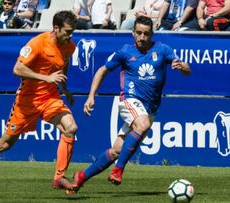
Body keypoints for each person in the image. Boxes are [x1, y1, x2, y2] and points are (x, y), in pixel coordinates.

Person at [68, 15, 191, 193]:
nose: (142, 37)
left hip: (150, 107)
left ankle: (81, 177)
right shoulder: (125, 52)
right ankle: (118, 170)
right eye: (139, 33)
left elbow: (186, 69)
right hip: (129, 100)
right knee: (143, 124)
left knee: (117, 149)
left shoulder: (163, 50)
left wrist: (184, 67)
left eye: (146, 34)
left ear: (152, 34)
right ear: (133, 33)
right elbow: (102, 71)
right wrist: (91, 96)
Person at [0, 10, 79, 194]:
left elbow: (64, 64)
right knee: (6, 144)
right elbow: (17, 69)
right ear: (56, 28)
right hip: (27, 101)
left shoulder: (69, 46)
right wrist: (46, 78)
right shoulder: (38, 44)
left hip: (50, 98)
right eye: (67, 31)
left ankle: (59, 177)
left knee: (70, 128)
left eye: (72, 31)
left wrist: (64, 88)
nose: (70, 35)